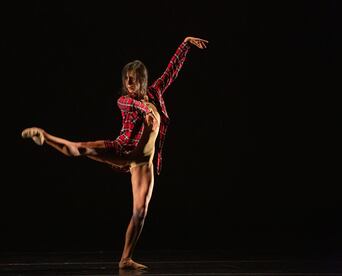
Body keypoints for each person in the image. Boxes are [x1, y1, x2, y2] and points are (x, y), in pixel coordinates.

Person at [21, 36, 208, 270]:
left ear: (142, 80)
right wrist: (144, 109)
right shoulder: (125, 101)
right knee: (82, 148)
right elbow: (133, 105)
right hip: (122, 150)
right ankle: (44, 136)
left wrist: (186, 44)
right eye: (126, 78)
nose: (129, 81)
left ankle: (125, 258)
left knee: (140, 211)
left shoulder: (156, 93)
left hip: (143, 162)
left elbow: (172, 71)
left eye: (133, 78)